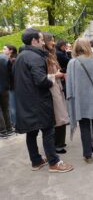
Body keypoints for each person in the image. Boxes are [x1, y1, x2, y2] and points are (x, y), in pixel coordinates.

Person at [14, 28, 73, 172]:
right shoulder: (34, 57)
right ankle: (54, 162)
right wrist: (52, 81)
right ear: (34, 41)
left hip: (26, 101)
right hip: (38, 102)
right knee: (48, 131)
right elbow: (41, 80)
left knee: (32, 132)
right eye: (41, 39)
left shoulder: (21, 56)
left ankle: (36, 161)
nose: (43, 42)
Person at [66, 38, 93, 163]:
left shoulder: (72, 63)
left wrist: (70, 100)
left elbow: (70, 85)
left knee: (84, 127)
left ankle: (88, 155)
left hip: (80, 100)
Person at [43, 32, 69, 154]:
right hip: (51, 88)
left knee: (61, 116)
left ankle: (59, 143)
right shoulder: (43, 56)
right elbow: (40, 77)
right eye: (51, 40)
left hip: (57, 87)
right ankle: (57, 144)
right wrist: (57, 75)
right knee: (59, 116)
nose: (53, 43)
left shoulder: (51, 54)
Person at [3, 45, 18, 128]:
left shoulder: (12, 60)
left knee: (13, 107)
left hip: (13, 86)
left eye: (5, 49)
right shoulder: (9, 59)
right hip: (14, 86)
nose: (2, 50)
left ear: (11, 50)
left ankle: (15, 124)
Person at [0, 50, 13, 137]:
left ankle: (3, 130)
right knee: (6, 108)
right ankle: (9, 128)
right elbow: (10, 73)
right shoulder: (4, 57)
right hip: (5, 87)